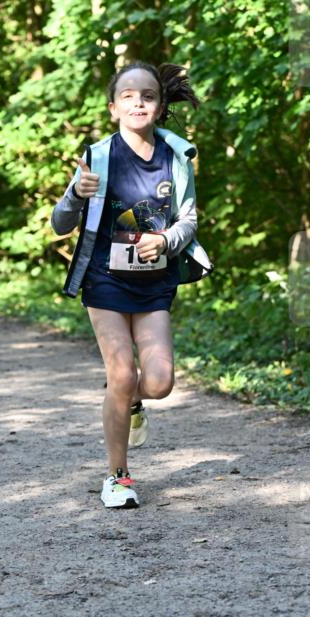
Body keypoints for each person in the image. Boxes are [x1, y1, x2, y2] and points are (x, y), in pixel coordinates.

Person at [51, 61, 211, 509]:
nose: (138, 102)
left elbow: (190, 220)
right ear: (113, 108)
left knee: (157, 383)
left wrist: (163, 239)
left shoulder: (176, 157)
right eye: (128, 95)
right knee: (121, 373)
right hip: (103, 280)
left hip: (155, 281)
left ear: (160, 108)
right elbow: (60, 224)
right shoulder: (97, 157)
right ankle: (118, 477)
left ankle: (130, 401)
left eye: (148, 96)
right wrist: (73, 195)